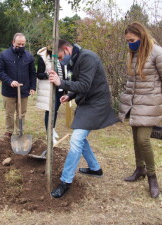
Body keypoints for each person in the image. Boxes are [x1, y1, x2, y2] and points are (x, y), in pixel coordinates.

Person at [48, 40, 118, 198]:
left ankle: (65, 181)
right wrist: (70, 95)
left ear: (66, 50)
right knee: (80, 138)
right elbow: (81, 84)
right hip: (86, 103)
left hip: (96, 104)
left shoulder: (87, 58)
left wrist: (61, 82)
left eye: (60, 58)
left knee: (76, 140)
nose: (60, 61)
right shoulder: (76, 59)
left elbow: (85, 85)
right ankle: (95, 169)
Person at [118, 22, 162, 198]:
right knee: (135, 138)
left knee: (143, 140)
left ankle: (152, 177)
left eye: (132, 40)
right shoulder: (133, 54)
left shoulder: (159, 53)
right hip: (135, 102)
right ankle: (139, 169)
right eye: (127, 41)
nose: (130, 44)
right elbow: (131, 80)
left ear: (141, 36)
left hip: (150, 102)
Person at [0, 33, 37, 138]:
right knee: (9, 113)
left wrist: (32, 87)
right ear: (13, 42)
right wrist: (10, 81)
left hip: (24, 90)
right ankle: (9, 131)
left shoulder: (29, 56)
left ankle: (20, 132)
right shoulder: (4, 55)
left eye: (23, 44)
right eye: (18, 44)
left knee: (21, 113)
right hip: (8, 91)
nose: (21, 46)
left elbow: (32, 73)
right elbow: (0, 72)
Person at [36, 46, 65, 144]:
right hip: (49, 89)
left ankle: (52, 128)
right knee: (49, 111)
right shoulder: (43, 58)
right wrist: (48, 75)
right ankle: (49, 133)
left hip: (59, 88)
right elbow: (39, 74)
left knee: (55, 110)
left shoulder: (58, 57)